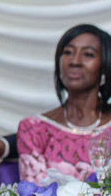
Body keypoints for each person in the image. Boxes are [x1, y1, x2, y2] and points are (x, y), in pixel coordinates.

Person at [16, 24, 111, 184]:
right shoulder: (33, 129)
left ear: (104, 67)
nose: (74, 61)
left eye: (88, 54)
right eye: (67, 52)